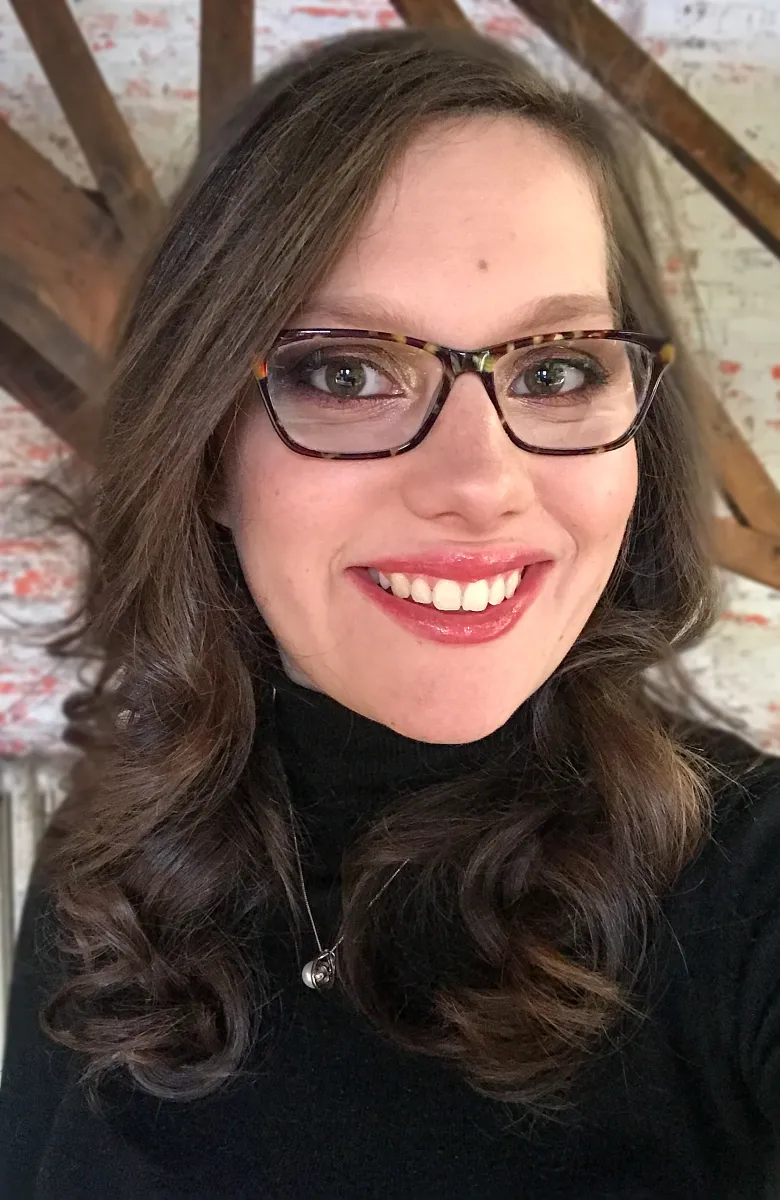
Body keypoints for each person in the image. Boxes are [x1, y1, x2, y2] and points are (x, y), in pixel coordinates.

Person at [1, 25, 778, 1200]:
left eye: (556, 369)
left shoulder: (739, 884)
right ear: (207, 451)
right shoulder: (108, 850)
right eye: (347, 370)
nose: (478, 481)